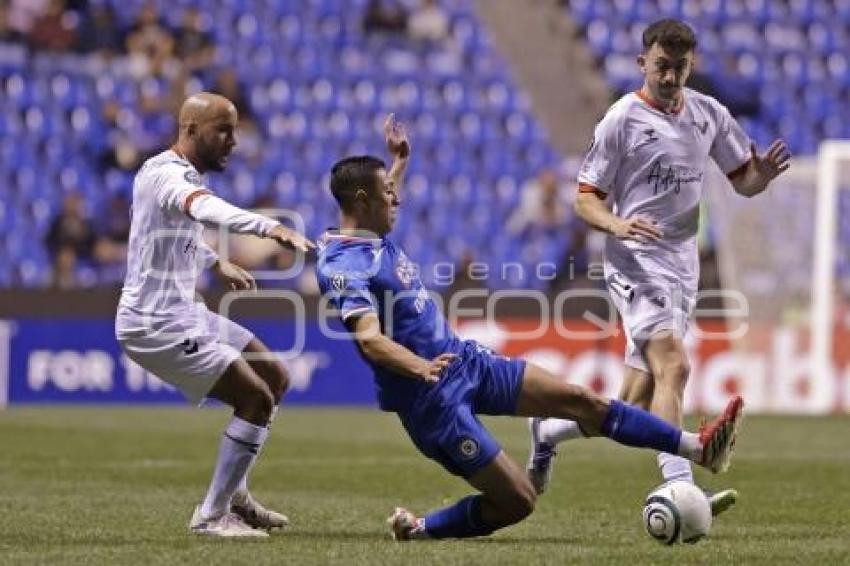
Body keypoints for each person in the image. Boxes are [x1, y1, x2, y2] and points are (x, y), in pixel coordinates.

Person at [315, 114, 744, 541]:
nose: (397, 198)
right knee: (518, 501)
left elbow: (380, 196)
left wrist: (399, 165)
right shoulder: (342, 266)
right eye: (387, 192)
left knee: (582, 399)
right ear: (361, 201)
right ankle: (419, 530)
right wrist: (421, 367)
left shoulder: (371, 228)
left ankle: (697, 447)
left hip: (464, 360)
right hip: (430, 400)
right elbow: (370, 340)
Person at [527, 19, 790, 513]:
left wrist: (763, 177)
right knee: (675, 365)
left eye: (680, 68)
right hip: (635, 261)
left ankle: (547, 429)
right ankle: (682, 487)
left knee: (630, 404)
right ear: (642, 63)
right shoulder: (621, 120)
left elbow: (744, 182)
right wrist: (617, 225)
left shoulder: (709, 114)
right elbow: (585, 199)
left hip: (681, 265)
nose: (670, 77)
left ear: (692, 66)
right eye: (662, 67)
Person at [115, 92, 314, 538]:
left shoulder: (166, 173)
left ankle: (235, 498)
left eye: (235, 130)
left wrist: (214, 262)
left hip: (184, 310)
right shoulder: (168, 176)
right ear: (190, 130)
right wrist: (269, 226)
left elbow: (166, 232)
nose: (233, 141)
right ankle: (211, 516)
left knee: (275, 377)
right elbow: (201, 208)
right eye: (223, 130)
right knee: (255, 399)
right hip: (156, 323)